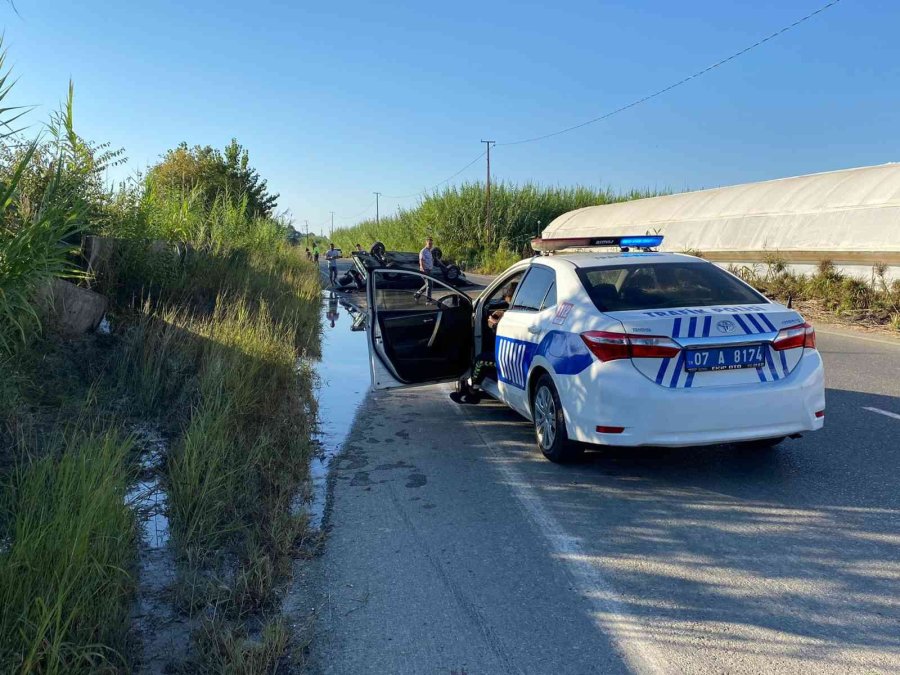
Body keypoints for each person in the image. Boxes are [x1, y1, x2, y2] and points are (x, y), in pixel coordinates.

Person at [470, 281, 518, 387]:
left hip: (510, 360)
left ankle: (473, 390)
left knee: (480, 360)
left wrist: (495, 325)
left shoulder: (518, 316)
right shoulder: (523, 311)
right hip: (516, 360)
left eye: (509, 305)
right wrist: (504, 314)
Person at [413, 237, 434, 301]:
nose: (430, 245)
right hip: (424, 270)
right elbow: (421, 259)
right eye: (429, 244)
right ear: (426, 243)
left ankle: (417, 294)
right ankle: (428, 299)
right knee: (429, 284)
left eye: (431, 244)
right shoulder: (423, 251)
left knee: (429, 284)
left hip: (429, 270)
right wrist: (422, 268)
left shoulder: (429, 251)